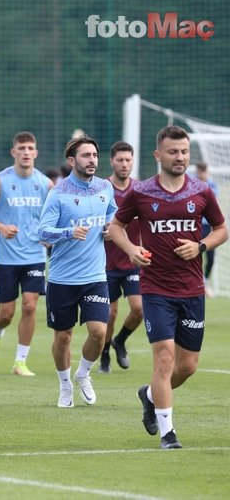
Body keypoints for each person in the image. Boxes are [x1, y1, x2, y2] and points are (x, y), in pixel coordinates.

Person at [109, 125, 227, 450]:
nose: (180, 157)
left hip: (192, 290)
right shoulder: (142, 192)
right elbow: (116, 226)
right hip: (156, 289)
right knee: (163, 359)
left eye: (185, 151)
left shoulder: (201, 191)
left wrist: (201, 246)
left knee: (187, 366)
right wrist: (132, 250)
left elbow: (221, 229)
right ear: (158, 155)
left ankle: (148, 396)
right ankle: (168, 434)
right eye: (173, 152)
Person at [38, 135, 117, 408]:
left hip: (95, 276)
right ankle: (64, 384)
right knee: (63, 337)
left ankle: (83, 373)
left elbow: (113, 216)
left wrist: (109, 229)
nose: (92, 160)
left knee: (98, 331)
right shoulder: (58, 193)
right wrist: (68, 232)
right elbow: (42, 232)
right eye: (86, 155)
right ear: (72, 161)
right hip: (62, 278)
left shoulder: (106, 187)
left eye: (94, 155)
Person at [0, 132, 53, 377]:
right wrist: (0, 227)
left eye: (30, 148)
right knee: (7, 314)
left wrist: (49, 234)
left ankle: (20, 362)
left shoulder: (45, 184)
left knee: (30, 307)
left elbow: (55, 214)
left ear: (36, 152)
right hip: (5, 260)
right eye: (21, 148)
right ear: (13, 152)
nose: (25, 152)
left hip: (34, 256)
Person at [99, 141, 142, 374]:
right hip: (106, 264)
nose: (124, 164)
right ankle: (105, 353)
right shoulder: (102, 189)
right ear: (112, 161)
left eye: (128, 160)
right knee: (109, 313)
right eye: (120, 160)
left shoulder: (140, 190)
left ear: (133, 161)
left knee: (139, 308)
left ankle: (120, 341)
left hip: (133, 261)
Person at [194, 161, 219, 297]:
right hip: (195, 225)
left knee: (211, 257)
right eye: (199, 170)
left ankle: (206, 281)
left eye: (203, 170)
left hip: (208, 226)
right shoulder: (191, 184)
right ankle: (196, 284)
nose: (201, 173)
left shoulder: (212, 186)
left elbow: (214, 202)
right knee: (194, 255)